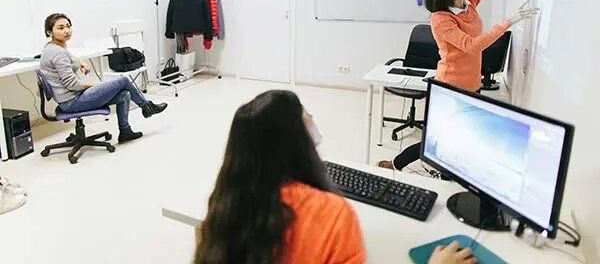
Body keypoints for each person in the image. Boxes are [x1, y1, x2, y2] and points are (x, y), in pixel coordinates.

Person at [194, 90, 476, 264]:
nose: (312, 117)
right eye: (305, 115)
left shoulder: (224, 206)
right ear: (294, 139)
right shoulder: (332, 215)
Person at [379, 0, 541, 171]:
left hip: (472, 84)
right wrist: (509, 21)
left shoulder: (469, 1)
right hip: (449, 87)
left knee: (464, 136)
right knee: (435, 137)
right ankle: (396, 164)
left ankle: (452, 172)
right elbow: (471, 45)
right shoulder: (441, 19)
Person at [40, 13, 167, 143]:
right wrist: (94, 85)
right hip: (72, 102)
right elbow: (72, 84)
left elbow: (69, 58)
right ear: (50, 32)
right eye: (61, 28)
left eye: (68, 26)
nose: (66, 30)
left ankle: (125, 131)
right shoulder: (58, 53)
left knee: (124, 94)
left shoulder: (53, 47)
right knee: (123, 80)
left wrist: (80, 63)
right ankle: (147, 106)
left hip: (70, 99)